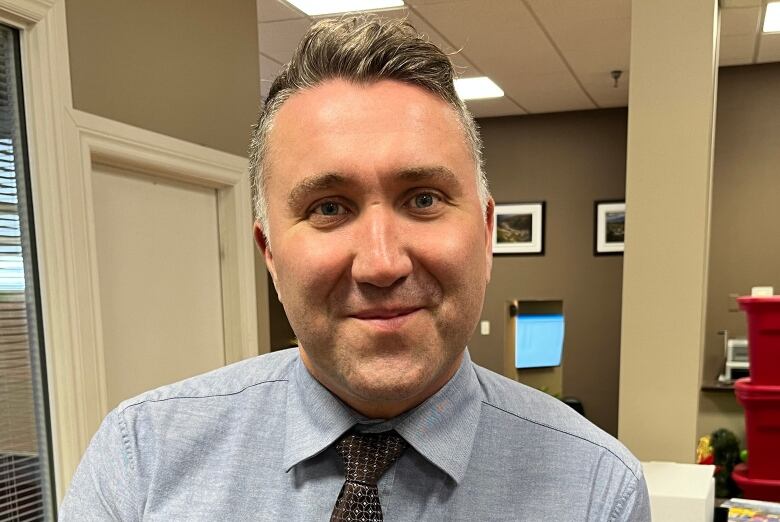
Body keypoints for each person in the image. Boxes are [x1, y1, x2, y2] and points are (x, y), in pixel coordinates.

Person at [60, 16, 650, 521]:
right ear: (268, 251)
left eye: (423, 199)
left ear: (488, 233)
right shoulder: (142, 458)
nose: (382, 264)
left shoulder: (597, 489)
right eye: (328, 208)